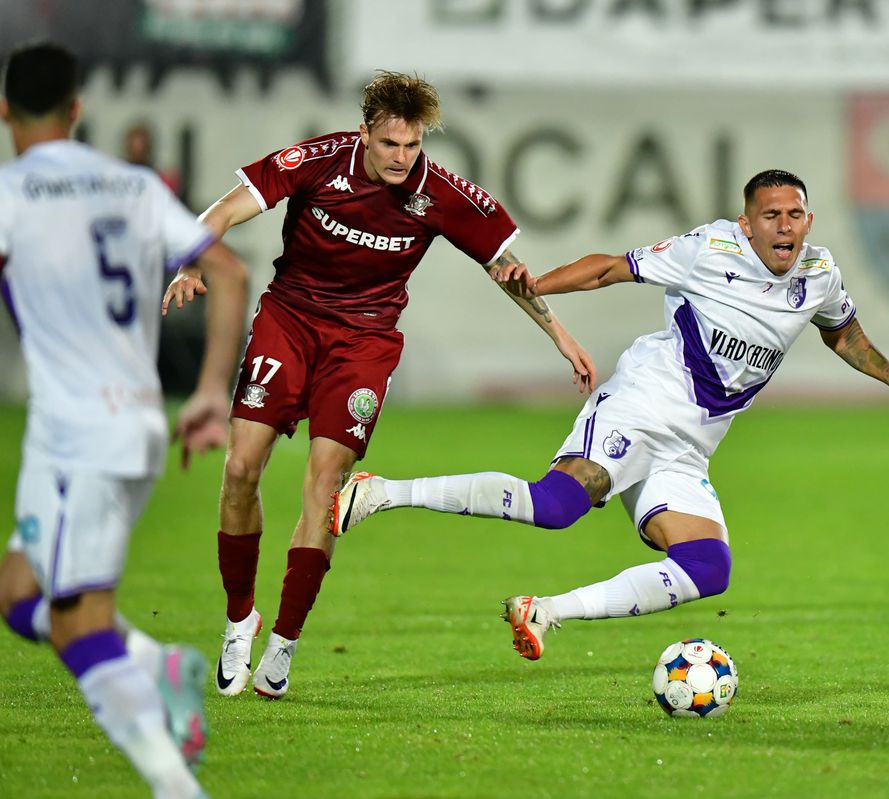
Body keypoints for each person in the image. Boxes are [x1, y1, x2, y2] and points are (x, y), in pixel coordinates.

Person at [330, 169, 889, 660]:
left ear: (809, 219)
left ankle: (545, 611)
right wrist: (537, 285)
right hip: (642, 405)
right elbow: (608, 267)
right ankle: (381, 492)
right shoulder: (709, 249)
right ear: (747, 224)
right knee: (556, 506)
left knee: (708, 567)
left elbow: (843, 332)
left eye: (796, 214)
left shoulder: (819, 272)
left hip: (690, 445)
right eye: (771, 215)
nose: (785, 226)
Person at [162, 71, 595, 698]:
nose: (401, 158)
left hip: (363, 343)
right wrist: (186, 262)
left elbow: (505, 268)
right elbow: (225, 210)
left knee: (325, 483)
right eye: (390, 144)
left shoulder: (441, 193)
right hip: (288, 321)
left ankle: (283, 641)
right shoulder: (317, 161)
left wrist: (561, 336)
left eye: (412, 146)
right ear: (364, 134)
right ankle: (239, 620)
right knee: (239, 470)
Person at [0, 42, 248, 798]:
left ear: (4, 111)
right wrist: (210, 390)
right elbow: (229, 271)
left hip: (84, 437)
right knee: (17, 594)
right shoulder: (132, 185)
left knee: (79, 625)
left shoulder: (10, 193)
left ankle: (176, 786)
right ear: (77, 109)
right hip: (111, 426)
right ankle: (154, 664)